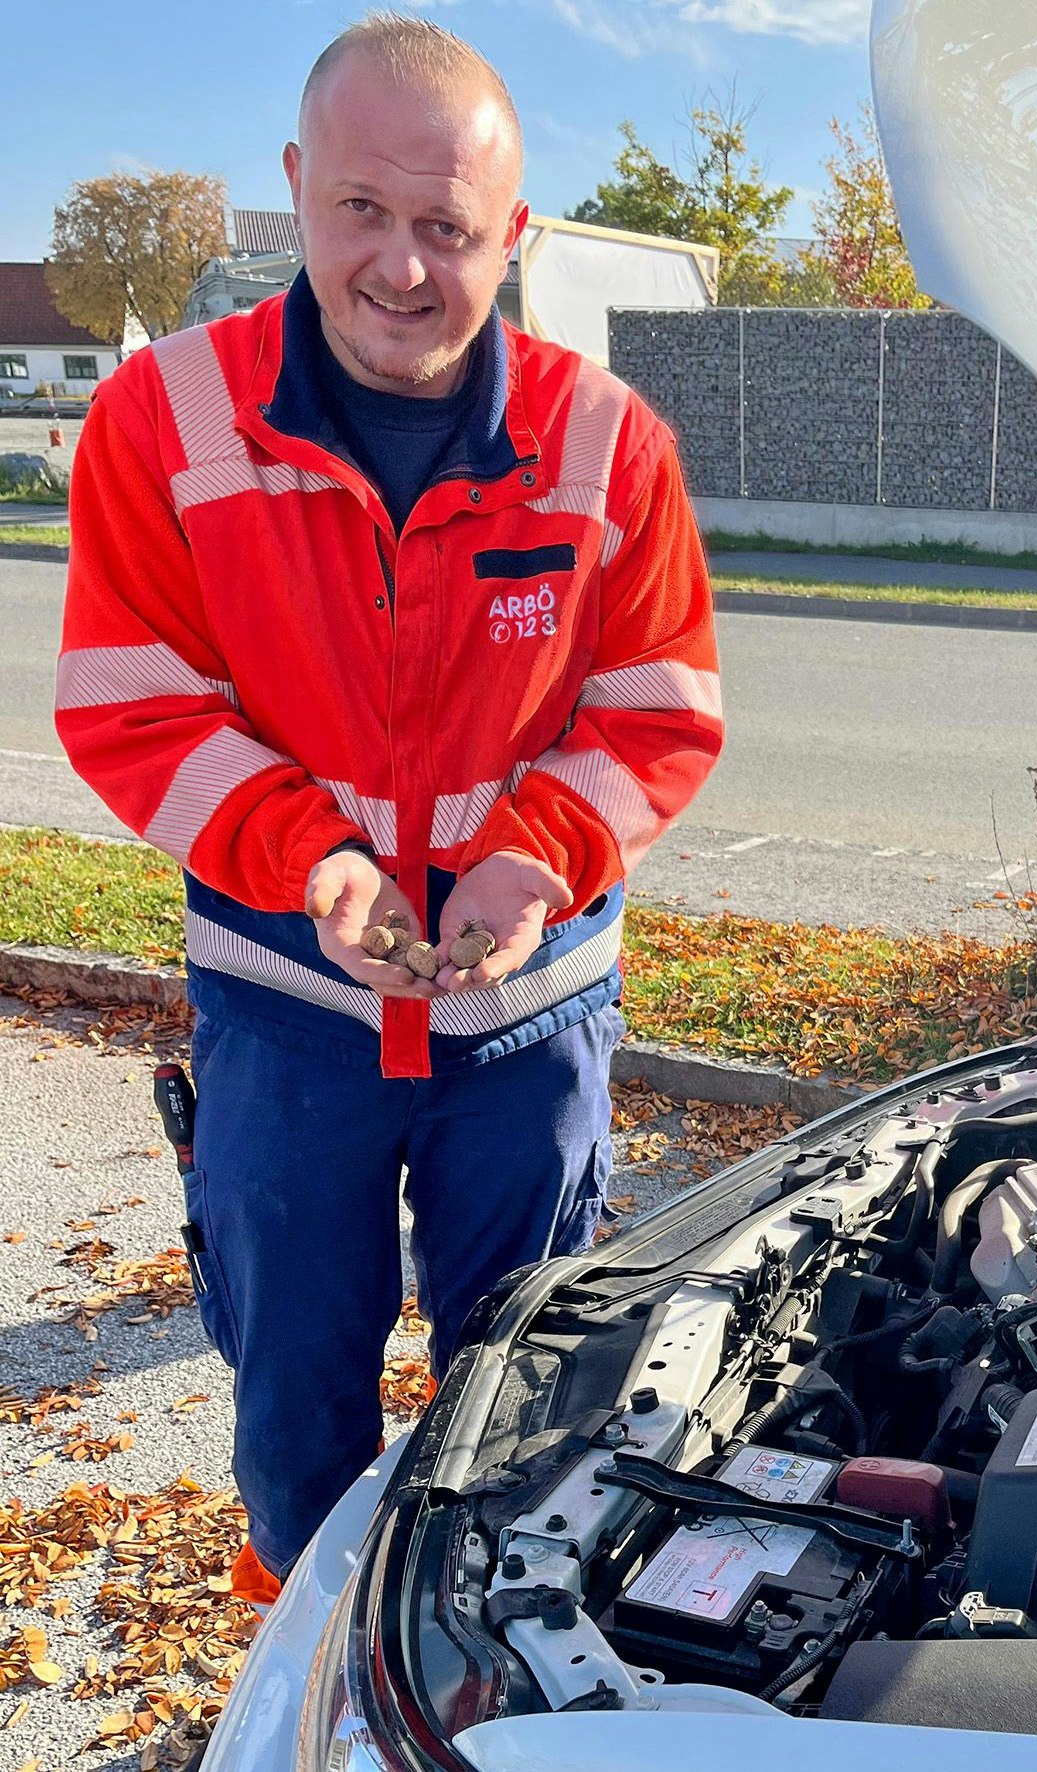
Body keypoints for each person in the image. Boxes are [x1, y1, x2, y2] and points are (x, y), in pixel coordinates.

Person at [55, 12, 722, 1602]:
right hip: (289, 1016)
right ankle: (305, 1668)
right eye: (364, 210)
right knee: (293, 1392)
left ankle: (496, 1648)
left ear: (516, 234)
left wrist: (533, 860)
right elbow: (129, 703)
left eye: (448, 227)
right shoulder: (162, 421)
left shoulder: (609, 443)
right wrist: (314, 862)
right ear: (296, 187)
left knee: (532, 1389)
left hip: (529, 1025)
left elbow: (660, 709)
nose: (404, 267)